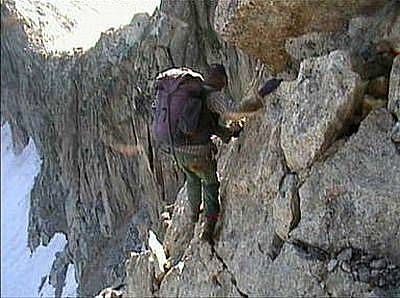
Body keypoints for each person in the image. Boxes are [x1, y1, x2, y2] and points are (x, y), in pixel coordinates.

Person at [153, 64, 281, 244]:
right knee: (211, 184)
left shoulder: (195, 95)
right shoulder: (213, 96)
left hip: (177, 150)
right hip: (198, 154)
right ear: (222, 80)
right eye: (224, 81)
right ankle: (208, 229)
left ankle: (193, 214)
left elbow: (209, 126)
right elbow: (235, 112)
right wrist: (261, 95)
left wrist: (229, 133)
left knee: (192, 179)